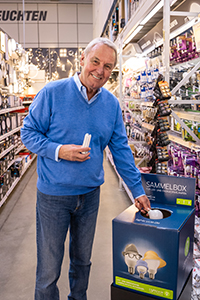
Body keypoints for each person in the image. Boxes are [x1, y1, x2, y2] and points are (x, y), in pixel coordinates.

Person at [21, 37, 151, 300]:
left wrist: (137, 190)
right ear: (82, 58)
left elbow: (121, 150)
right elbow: (28, 133)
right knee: (49, 269)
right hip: (53, 196)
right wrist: (60, 151)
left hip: (90, 197)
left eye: (108, 67)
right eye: (95, 61)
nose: (100, 71)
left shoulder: (111, 105)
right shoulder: (52, 93)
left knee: (83, 263)